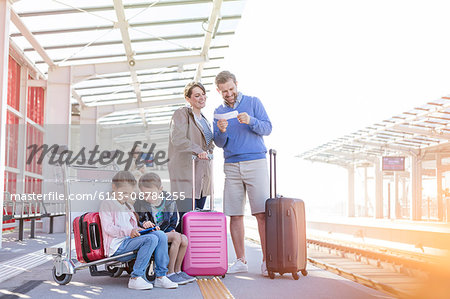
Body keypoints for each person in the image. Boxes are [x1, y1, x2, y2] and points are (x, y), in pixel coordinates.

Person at [213, 71, 272, 276]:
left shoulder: (253, 102)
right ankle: (240, 260)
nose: (229, 93)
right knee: (235, 214)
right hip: (231, 165)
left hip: (256, 162)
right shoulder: (218, 111)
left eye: (231, 89)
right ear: (218, 90)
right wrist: (220, 131)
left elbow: (268, 128)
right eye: (224, 91)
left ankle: (267, 260)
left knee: (262, 214)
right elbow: (220, 143)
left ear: (236, 84)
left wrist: (251, 121)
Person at [99, 171, 178, 290]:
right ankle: (135, 278)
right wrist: (129, 231)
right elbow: (108, 228)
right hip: (117, 246)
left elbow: (133, 227)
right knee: (151, 239)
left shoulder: (128, 206)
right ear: (114, 187)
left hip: (129, 241)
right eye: (124, 192)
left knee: (160, 234)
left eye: (129, 194)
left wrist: (145, 229)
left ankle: (161, 276)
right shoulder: (108, 204)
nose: (126, 196)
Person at [168, 82, 214, 232]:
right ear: (188, 99)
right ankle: (175, 251)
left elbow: (208, 144)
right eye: (197, 95)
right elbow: (178, 138)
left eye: (203, 94)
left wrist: (207, 151)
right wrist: (198, 150)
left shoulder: (205, 120)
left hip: (203, 177)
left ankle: (192, 254)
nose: (201, 98)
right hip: (187, 175)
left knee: (196, 220)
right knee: (186, 219)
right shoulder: (182, 114)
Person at [134, 172, 196, 285]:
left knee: (184, 239)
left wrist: (171, 229)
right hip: (152, 234)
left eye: (151, 194)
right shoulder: (140, 203)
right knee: (177, 237)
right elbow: (137, 219)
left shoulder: (168, 200)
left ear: (160, 189)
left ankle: (178, 270)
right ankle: (169, 272)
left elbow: (173, 218)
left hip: (165, 232)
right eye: (144, 195)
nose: (147, 198)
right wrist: (144, 224)